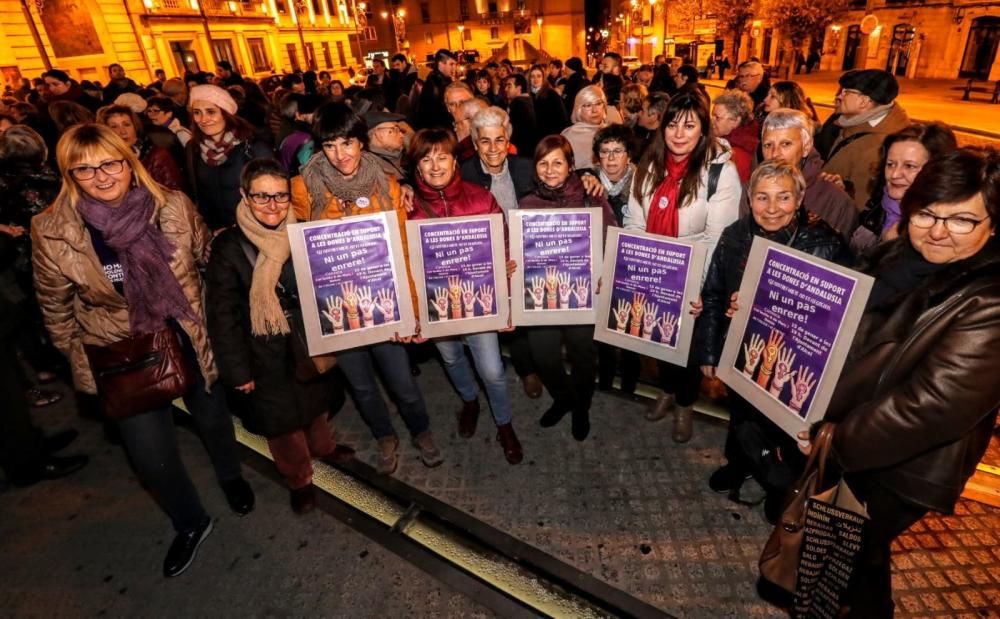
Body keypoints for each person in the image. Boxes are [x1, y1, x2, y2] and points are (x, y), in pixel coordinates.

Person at [32, 123, 254, 577]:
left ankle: (231, 477)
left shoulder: (171, 205)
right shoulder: (53, 229)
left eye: (110, 163)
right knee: (150, 454)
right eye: (85, 169)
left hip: (189, 332)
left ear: (129, 161)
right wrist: (82, 358)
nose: (102, 176)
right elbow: (55, 308)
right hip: (121, 348)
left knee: (213, 418)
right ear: (69, 175)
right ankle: (190, 522)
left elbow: (208, 258)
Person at [802, 148, 1000, 616]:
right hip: (856, 431)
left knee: (855, 548)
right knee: (854, 553)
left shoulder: (989, 300)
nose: (936, 231)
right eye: (927, 213)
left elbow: (929, 408)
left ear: (993, 222)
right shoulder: (898, 254)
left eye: (961, 221)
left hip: (899, 462)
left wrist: (831, 441)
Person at [289, 102, 441, 475]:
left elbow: (403, 248)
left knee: (402, 382)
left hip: (385, 305)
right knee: (363, 387)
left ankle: (421, 430)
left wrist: (414, 311)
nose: (340, 154)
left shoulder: (387, 185)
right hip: (341, 310)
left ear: (362, 142)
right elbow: (301, 249)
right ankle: (384, 436)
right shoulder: (303, 188)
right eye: (329, 146)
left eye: (347, 143)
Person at [693, 161, 850, 518]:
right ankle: (741, 464)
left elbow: (843, 313)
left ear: (799, 199)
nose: (772, 207)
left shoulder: (826, 242)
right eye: (762, 197)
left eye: (783, 197)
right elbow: (715, 293)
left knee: (786, 427)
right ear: (750, 199)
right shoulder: (735, 234)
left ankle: (782, 485)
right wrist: (709, 348)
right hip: (743, 350)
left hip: (796, 359)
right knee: (742, 417)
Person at [205, 159, 353, 514]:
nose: (272, 205)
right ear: (244, 196)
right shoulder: (228, 246)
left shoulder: (302, 232)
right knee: (282, 424)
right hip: (262, 350)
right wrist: (238, 371)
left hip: (304, 338)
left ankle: (325, 449)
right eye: (262, 197)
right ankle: (299, 479)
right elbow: (221, 314)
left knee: (316, 403)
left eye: (280, 197)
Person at [623, 90, 741, 442]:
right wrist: (636, 269)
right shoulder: (648, 166)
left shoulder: (721, 173)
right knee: (655, 342)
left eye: (689, 125)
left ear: (703, 129)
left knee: (687, 352)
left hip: (693, 279)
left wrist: (696, 286)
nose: (678, 133)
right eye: (672, 124)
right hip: (651, 275)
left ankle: (686, 403)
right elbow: (633, 220)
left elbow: (716, 239)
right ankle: (667, 391)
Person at [406, 128, 524, 465]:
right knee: (452, 357)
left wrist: (507, 305)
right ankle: (470, 400)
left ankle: (504, 423)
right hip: (437, 306)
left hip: (479, 302)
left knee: (492, 370)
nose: (435, 165)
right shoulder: (407, 206)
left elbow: (501, 250)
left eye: (442, 156)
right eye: (426, 159)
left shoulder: (480, 198)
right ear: (416, 168)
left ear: (456, 160)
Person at [517, 135, 617, 440]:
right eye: (543, 163)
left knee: (583, 356)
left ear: (571, 165)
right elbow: (520, 252)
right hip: (542, 298)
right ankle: (564, 398)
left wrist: (604, 271)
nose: (550, 169)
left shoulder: (590, 197)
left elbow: (612, 238)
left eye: (558, 162)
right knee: (544, 355)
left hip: (583, 297)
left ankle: (582, 406)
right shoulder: (526, 204)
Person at [853, 122, 958, 254]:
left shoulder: (941, 231)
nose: (894, 174)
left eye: (909, 166)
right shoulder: (877, 203)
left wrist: (891, 251)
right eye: (890, 164)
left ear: (937, 171)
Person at [591, 124, 641, 396]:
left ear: (629, 155)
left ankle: (630, 384)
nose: (611, 159)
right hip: (598, 268)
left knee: (631, 325)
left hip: (630, 267)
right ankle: (607, 380)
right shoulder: (586, 183)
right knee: (603, 330)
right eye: (604, 152)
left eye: (617, 151)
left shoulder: (644, 183)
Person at [760, 109, 860, 239]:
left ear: (806, 146)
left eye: (785, 144)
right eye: (768, 145)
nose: (774, 154)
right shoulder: (751, 190)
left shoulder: (837, 203)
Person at [821, 69, 910, 210]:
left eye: (846, 92)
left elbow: (860, 203)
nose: (839, 96)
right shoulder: (853, 124)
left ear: (864, 101)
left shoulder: (877, 145)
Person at [186, 84, 273, 231]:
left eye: (211, 112)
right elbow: (199, 195)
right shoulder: (193, 148)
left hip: (253, 232)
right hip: (216, 235)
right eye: (197, 112)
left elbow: (272, 196)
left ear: (225, 113)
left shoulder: (253, 146)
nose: (203, 119)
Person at [97, 104, 185, 192]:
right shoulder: (100, 160)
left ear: (135, 127)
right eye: (114, 127)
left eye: (127, 125)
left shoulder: (157, 155)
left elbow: (176, 193)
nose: (122, 131)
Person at [710, 90, 758, 183]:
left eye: (717, 117)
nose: (712, 121)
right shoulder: (725, 141)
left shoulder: (738, 155)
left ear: (735, 121)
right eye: (712, 116)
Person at [561, 86, 612, 171]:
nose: (594, 110)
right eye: (588, 105)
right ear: (579, 109)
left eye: (598, 104)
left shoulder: (612, 132)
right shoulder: (569, 136)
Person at [277, 93, 322, 176]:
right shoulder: (308, 140)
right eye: (314, 114)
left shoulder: (292, 134)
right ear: (298, 115)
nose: (318, 118)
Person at [413, 48, 457, 130]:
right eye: (451, 64)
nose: (454, 67)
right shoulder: (434, 84)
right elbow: (437, 114)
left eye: (455, 64)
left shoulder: (442, 81)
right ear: (440, 64)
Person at [365, 109, 409, 179]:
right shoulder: (371, 169)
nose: (402, 135)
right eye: (395, 130)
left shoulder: (397, 156)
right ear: (379, 135)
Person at [503, 73, 540, 157]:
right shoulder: (529, 100)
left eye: (509, 86)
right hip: (530, 151)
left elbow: (512, 132)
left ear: (519, 88)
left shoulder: (517, 103)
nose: (505, 89)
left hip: (520, 152)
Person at [528, 64, 569, 133]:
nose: (535, 79)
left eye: (539, 76)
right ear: (529, 79)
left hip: (549, 137)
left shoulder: (552, 95)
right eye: (532, 76)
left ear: (543, 78)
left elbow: (562, 119)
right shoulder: (527, 95)